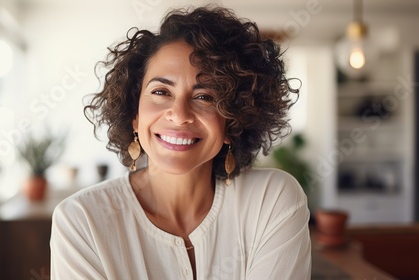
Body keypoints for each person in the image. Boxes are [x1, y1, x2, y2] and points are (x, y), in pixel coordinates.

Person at [51, 5, 311, 280]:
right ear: (135, 114)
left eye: (205, 97)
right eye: (161, 91)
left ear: (232, 121)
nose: (179, 115)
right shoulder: (82, 221)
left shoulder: (271, 201)